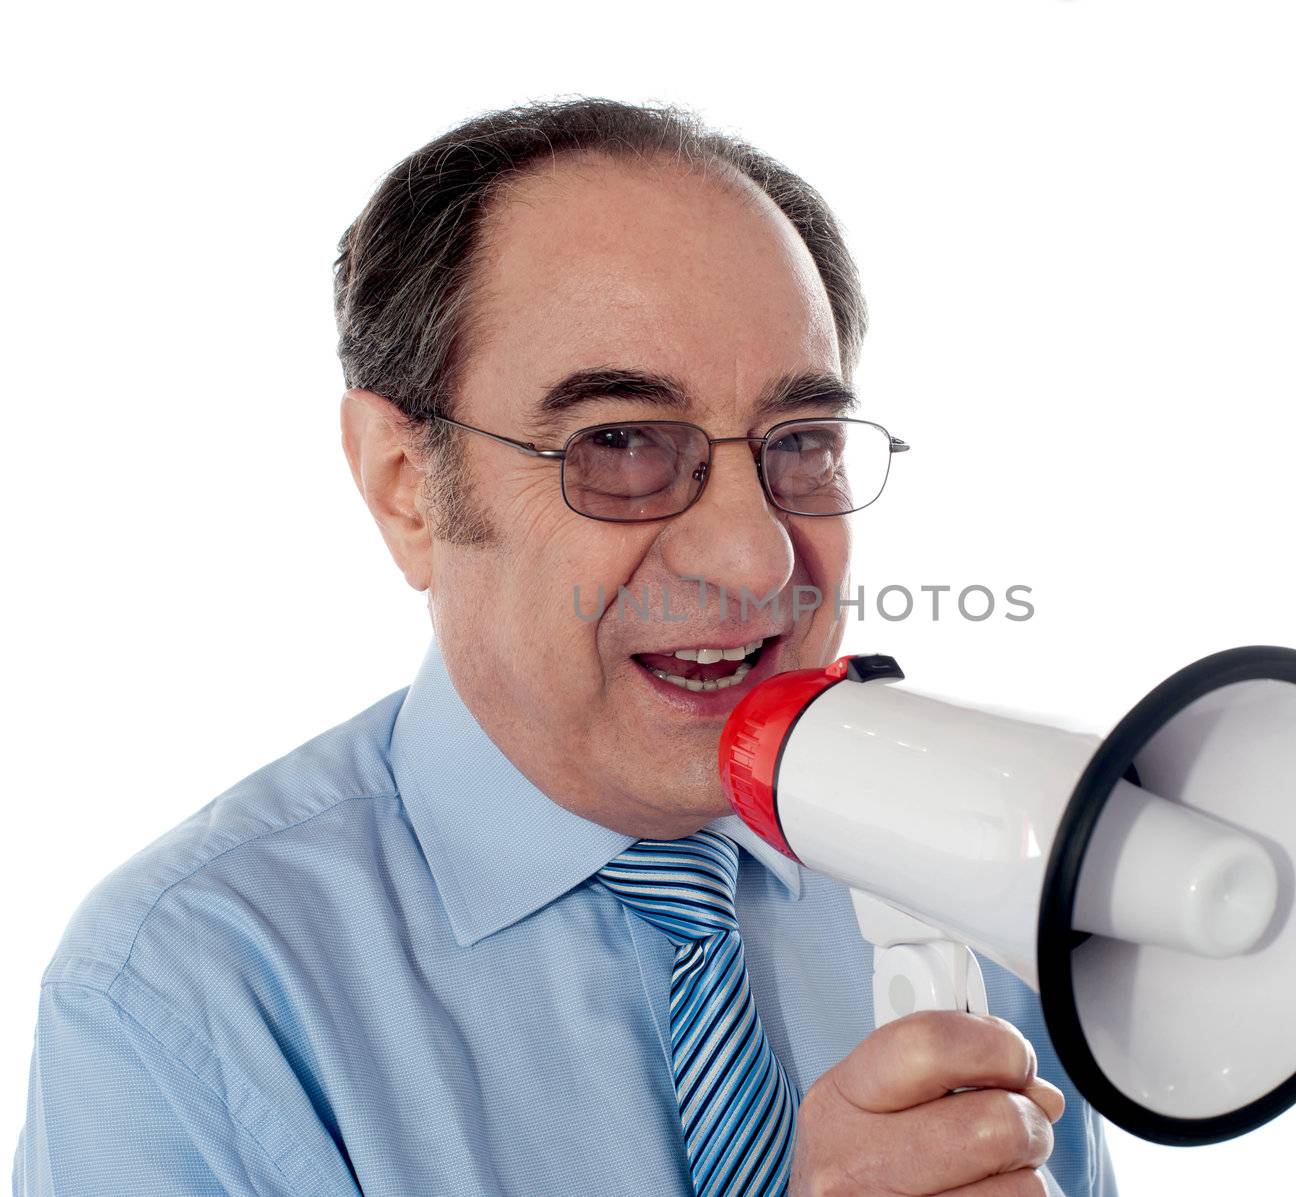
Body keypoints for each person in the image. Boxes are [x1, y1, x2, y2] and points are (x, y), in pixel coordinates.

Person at [13, 98, 1116, 1196]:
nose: (752, 560)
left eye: (803, 441)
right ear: (406, 489)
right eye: (621, 443)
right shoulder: (180, 993)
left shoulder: (980, 870)